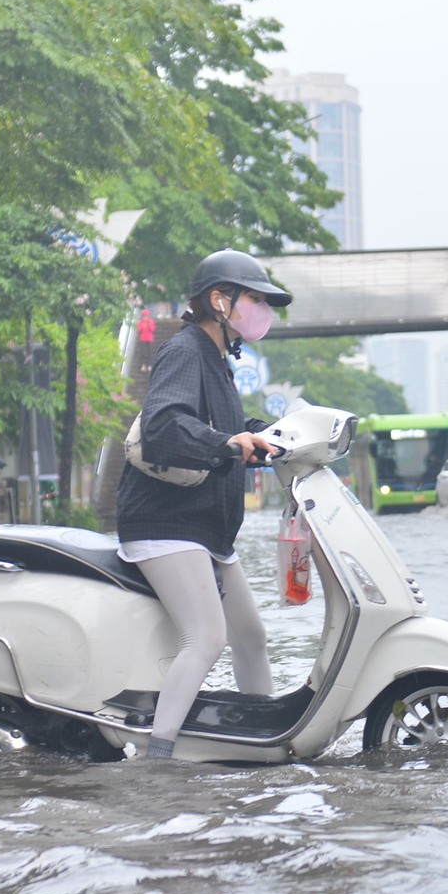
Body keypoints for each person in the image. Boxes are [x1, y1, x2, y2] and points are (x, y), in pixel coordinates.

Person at [115, 247, 289, 760]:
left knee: (251, 635)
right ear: (220, 300)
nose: (262, 309)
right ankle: (159, 757)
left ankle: (265, 736)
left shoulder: (217, 360)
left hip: (205, 529)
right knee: (207, 638)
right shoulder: (186, 350)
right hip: (167, 523)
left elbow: (220, 428)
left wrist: (267, 436)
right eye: (253, 298)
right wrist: (228, 446)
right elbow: (167, 425)